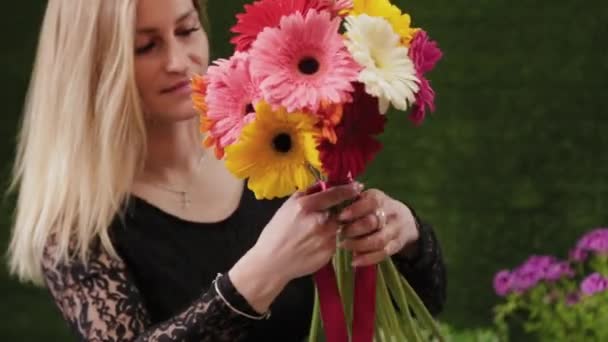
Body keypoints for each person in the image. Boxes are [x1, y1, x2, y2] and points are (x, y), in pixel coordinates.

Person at [7, 0, 447, 341]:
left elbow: (421, 303)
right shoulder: (75, 230)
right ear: (93, 68)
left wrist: (403, 236)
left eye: (186, 29)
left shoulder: (279, 136)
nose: (179, 60)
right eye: (146, 46)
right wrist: (261, 273)